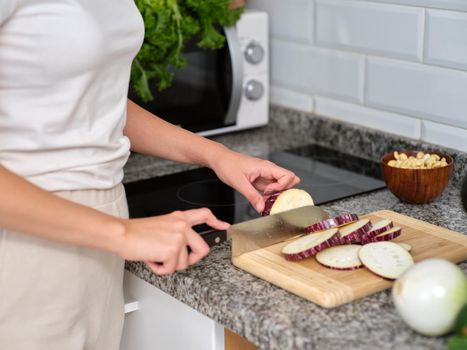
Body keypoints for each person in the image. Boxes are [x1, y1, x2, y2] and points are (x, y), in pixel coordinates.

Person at [0, 1, 299, 349]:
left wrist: (217, 156)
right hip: (26, 237)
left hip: (97, 225)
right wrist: (123, 233)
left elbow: (95, 99)